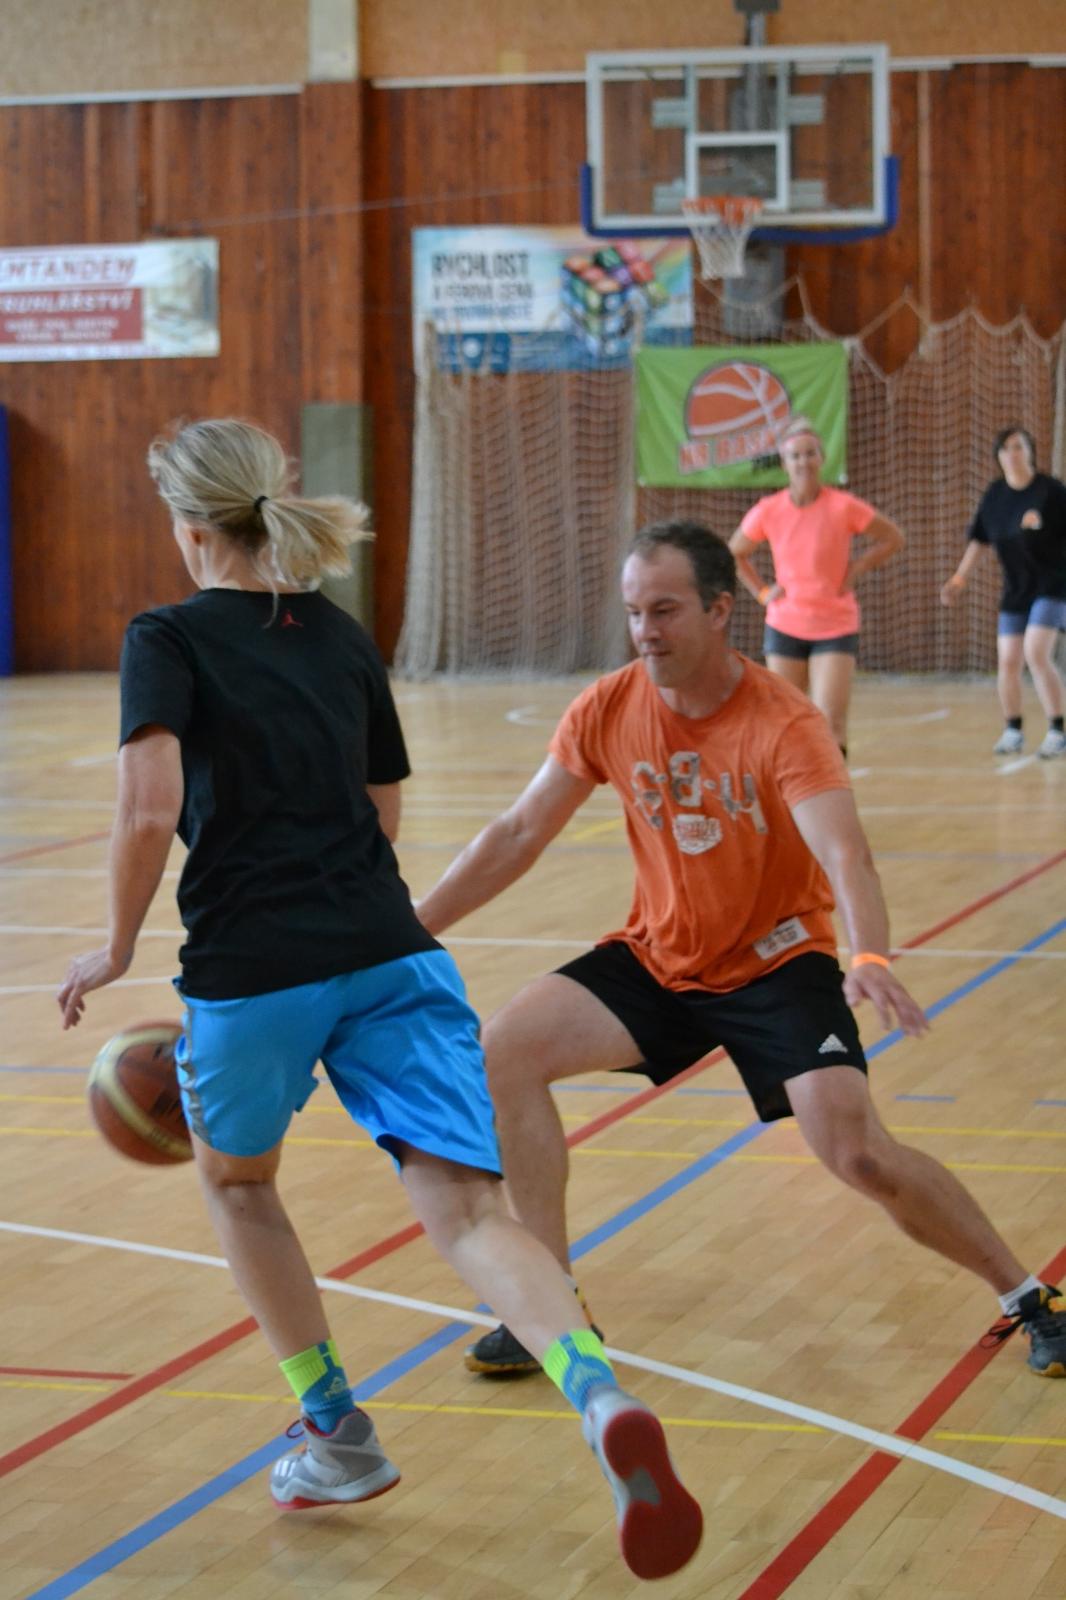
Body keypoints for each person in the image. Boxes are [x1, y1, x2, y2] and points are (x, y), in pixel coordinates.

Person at [55, 420, 702, 1582]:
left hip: (253, 967)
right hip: (394, 950)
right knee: (472, 1210)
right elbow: (383, 810)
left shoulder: (166, 635)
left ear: (190, 527)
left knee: (237, 1181)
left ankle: (336, 1434)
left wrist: (112, 947)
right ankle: (599, 1394)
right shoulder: (340, 634)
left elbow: (149, 808)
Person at [415, 520, 1066, 1383]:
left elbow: (845, 854)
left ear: (721, 610)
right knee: (503, 1051)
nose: (646, 631)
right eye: (634, 612)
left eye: (665, 611)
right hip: (659, 959)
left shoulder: (783, 721)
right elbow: (518, 831)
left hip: (776, 966)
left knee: (857, 1153)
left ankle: (1029, 1298)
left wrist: (870, 957)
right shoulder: (609, 706)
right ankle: (551, 1303)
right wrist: (413, 928)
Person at [728, 417, 904, 755]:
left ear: (822, 458)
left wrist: (858, 567)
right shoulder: (769, 510)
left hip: (834, 624)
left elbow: (893, 537)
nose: (803, 462)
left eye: (810, 454)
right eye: (795, 456)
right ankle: (789, 786)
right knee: (784, 721)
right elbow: (735, 553)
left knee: (830, 722)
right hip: (785, 625)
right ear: (784, 463)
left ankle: (832, 786)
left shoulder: (844, 506)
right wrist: (762, 592)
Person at [940, 425, 1066, 758]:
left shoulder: (1051, 491)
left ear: (1030, 451)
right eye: (1006, 448)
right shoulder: (995, 496)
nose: (1013, 454)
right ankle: (1013, 730)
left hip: (1053, 586)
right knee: (1008, 659)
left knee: (1036, 652)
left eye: (1019, 446)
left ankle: (1057, 730)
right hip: (1016, 590)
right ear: (998, 456)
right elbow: (979, 541)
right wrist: (959, 579)